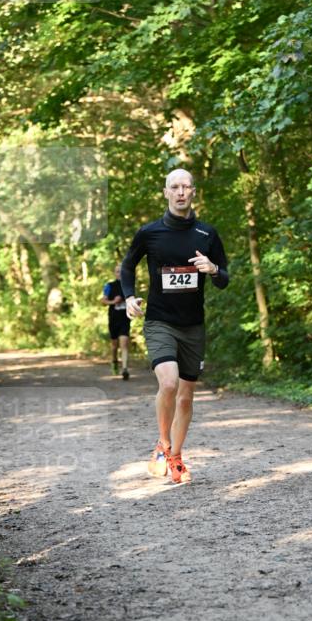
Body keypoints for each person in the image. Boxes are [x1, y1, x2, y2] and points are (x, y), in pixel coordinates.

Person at [121, 168, 228, 484]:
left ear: (194, 192)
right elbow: (128, 266)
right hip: (159, 322)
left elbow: (224, 279)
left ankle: (176, 456)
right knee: (168, 383)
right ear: (166, 192)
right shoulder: (149, 233)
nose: (181, 192)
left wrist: (213, 268)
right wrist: (128, 297)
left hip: (193, 326)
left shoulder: (207, 234)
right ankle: (164, 444)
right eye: (175, 187)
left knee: (186, 396)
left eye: (186, 187)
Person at [101, 264, 131, 379]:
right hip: (113, 319)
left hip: (125, 319)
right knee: (114, 346)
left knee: (124, 343)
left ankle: (125, 369)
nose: (120, 273)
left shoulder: (128, 286)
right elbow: (103, 301)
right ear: (115, 273)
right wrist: (114, 301)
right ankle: (114, 362)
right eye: (117, 271)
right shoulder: (109, 286)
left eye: (121, 271)